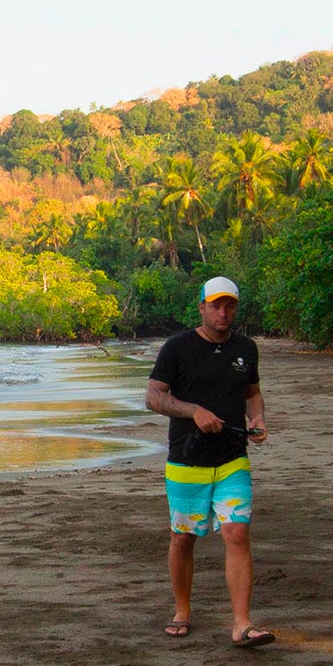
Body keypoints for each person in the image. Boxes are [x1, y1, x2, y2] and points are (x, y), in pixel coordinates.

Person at [144, 276, 273, 647]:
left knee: (237, 532)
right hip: (187, 460)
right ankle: (182, 610)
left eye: (229, 305)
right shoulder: (177, 347)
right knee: (183, 538)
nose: (223, 312)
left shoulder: (246, 349)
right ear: (201, 307)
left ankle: (242, 623)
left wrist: (258, 419)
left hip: (233, 459)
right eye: (215, 305)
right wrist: (193, 411)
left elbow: (253, 394)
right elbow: (153, 397)